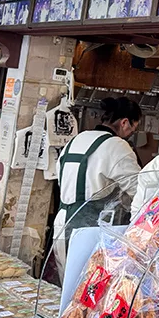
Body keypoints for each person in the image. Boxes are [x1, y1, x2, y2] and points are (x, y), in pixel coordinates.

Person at [55, 97, 141, 249]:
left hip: (61, 224)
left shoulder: (77, 139)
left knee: (66, 272)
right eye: (133, 129)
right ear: (124, 122)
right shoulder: (117, 145)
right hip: (92, 229)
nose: (130, 133)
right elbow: (139, 191)